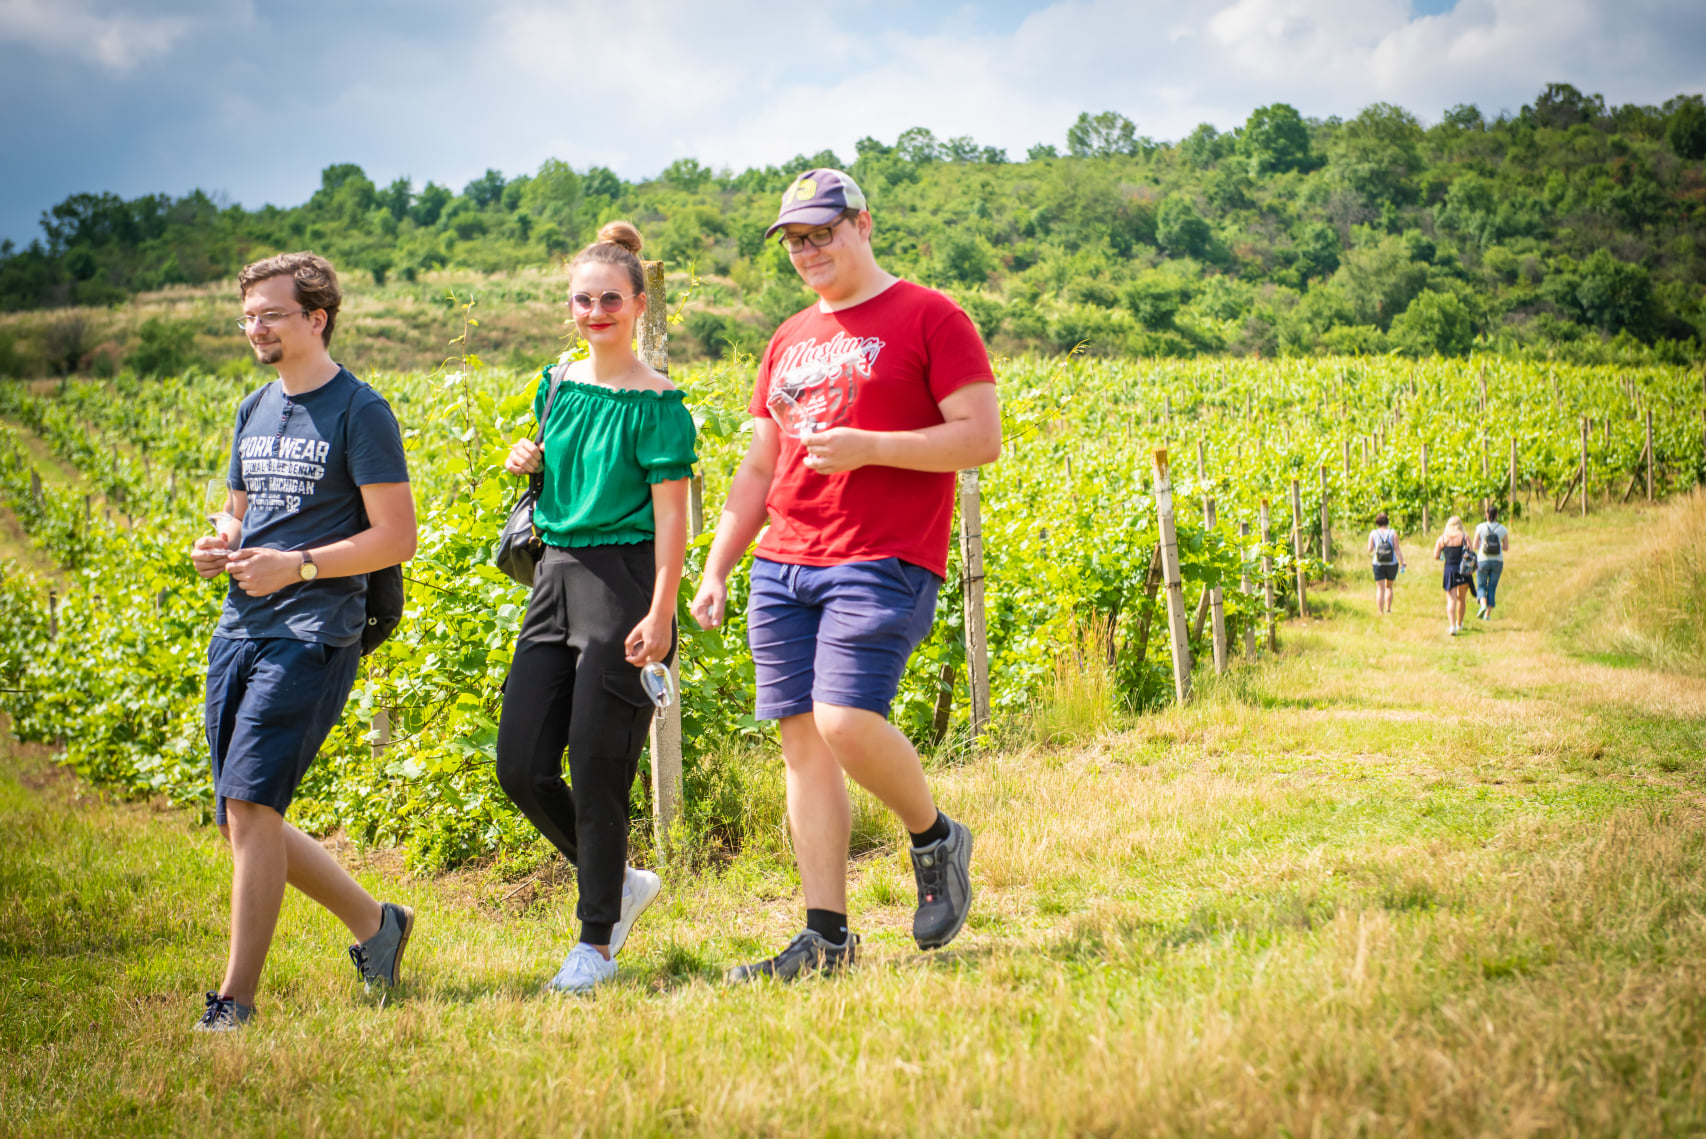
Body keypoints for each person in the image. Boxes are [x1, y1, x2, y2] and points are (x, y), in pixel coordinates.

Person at [689, 169, 1002, 982]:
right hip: (783, 560)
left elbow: (978, 439)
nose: (807, 251)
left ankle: (935, 836)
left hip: (882, 552)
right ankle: (826, 938)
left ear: (863, 223)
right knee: (803, 744)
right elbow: (761, 463)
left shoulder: (933, 316)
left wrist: (872, 445)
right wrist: (719, 564)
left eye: (821, 233)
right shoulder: (789, 336)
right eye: (794, 240)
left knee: (843, 720)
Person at [188, 252, 418, 1032]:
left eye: (271, 314)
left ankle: (235, 1000)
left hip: (315, 628)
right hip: (239, 625)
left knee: (251, 804)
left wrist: (301, 565)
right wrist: (221, 539)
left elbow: (397, 536)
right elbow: (239, 510)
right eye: (248, 315)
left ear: (316, 318)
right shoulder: (255, 406)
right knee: (240, 814)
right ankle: (377, 925)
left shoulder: (360, 410)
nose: (256, 327)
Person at [495, 222, 696, 994]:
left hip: (625, 584)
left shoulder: (659, 405)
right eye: (583, 299)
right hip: (554, 577)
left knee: (600, 763)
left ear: (639, 304)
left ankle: (595, 945)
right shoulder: (555, 383)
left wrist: (662, 610)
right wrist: (527, 455)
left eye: (611, 298)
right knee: (521, 764)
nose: (596, 311)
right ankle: (618, 883)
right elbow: (550, 466)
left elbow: (674, 518)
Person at [1432, 515, 1474, 636]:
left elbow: (1436, 555)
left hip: (1449, 569)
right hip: (1463, 570)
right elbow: (1470, 553)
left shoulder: (1443, 539)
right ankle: (1459, 623)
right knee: (1461, 599)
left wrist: (1444, 557)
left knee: (1451, 600)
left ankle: (1452, 626)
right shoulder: (1465, 537)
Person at [1472, 505, 1511, 619]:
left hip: (1482, 560)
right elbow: (1506, 547)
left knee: (1481, 586)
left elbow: (1475, 545)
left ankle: (1483, 605)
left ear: (1486, 514)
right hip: (1497, 561)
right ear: (1497, 515)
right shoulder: (1503, 529)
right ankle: (1487, 615)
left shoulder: (1480, 527)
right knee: (1492, 587)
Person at [1366, 510, 1406, 615]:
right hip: (1392, 563)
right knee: (1389, 587)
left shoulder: (1373, 533)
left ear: (1377, 523)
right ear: (1387, 522)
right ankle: (1388, 609)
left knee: (1380, 588)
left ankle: (1380, 611)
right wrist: (1402, 561)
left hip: (1378, 563)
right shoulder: (1393, 533)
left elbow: (1369, 549)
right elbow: (1397, 549)